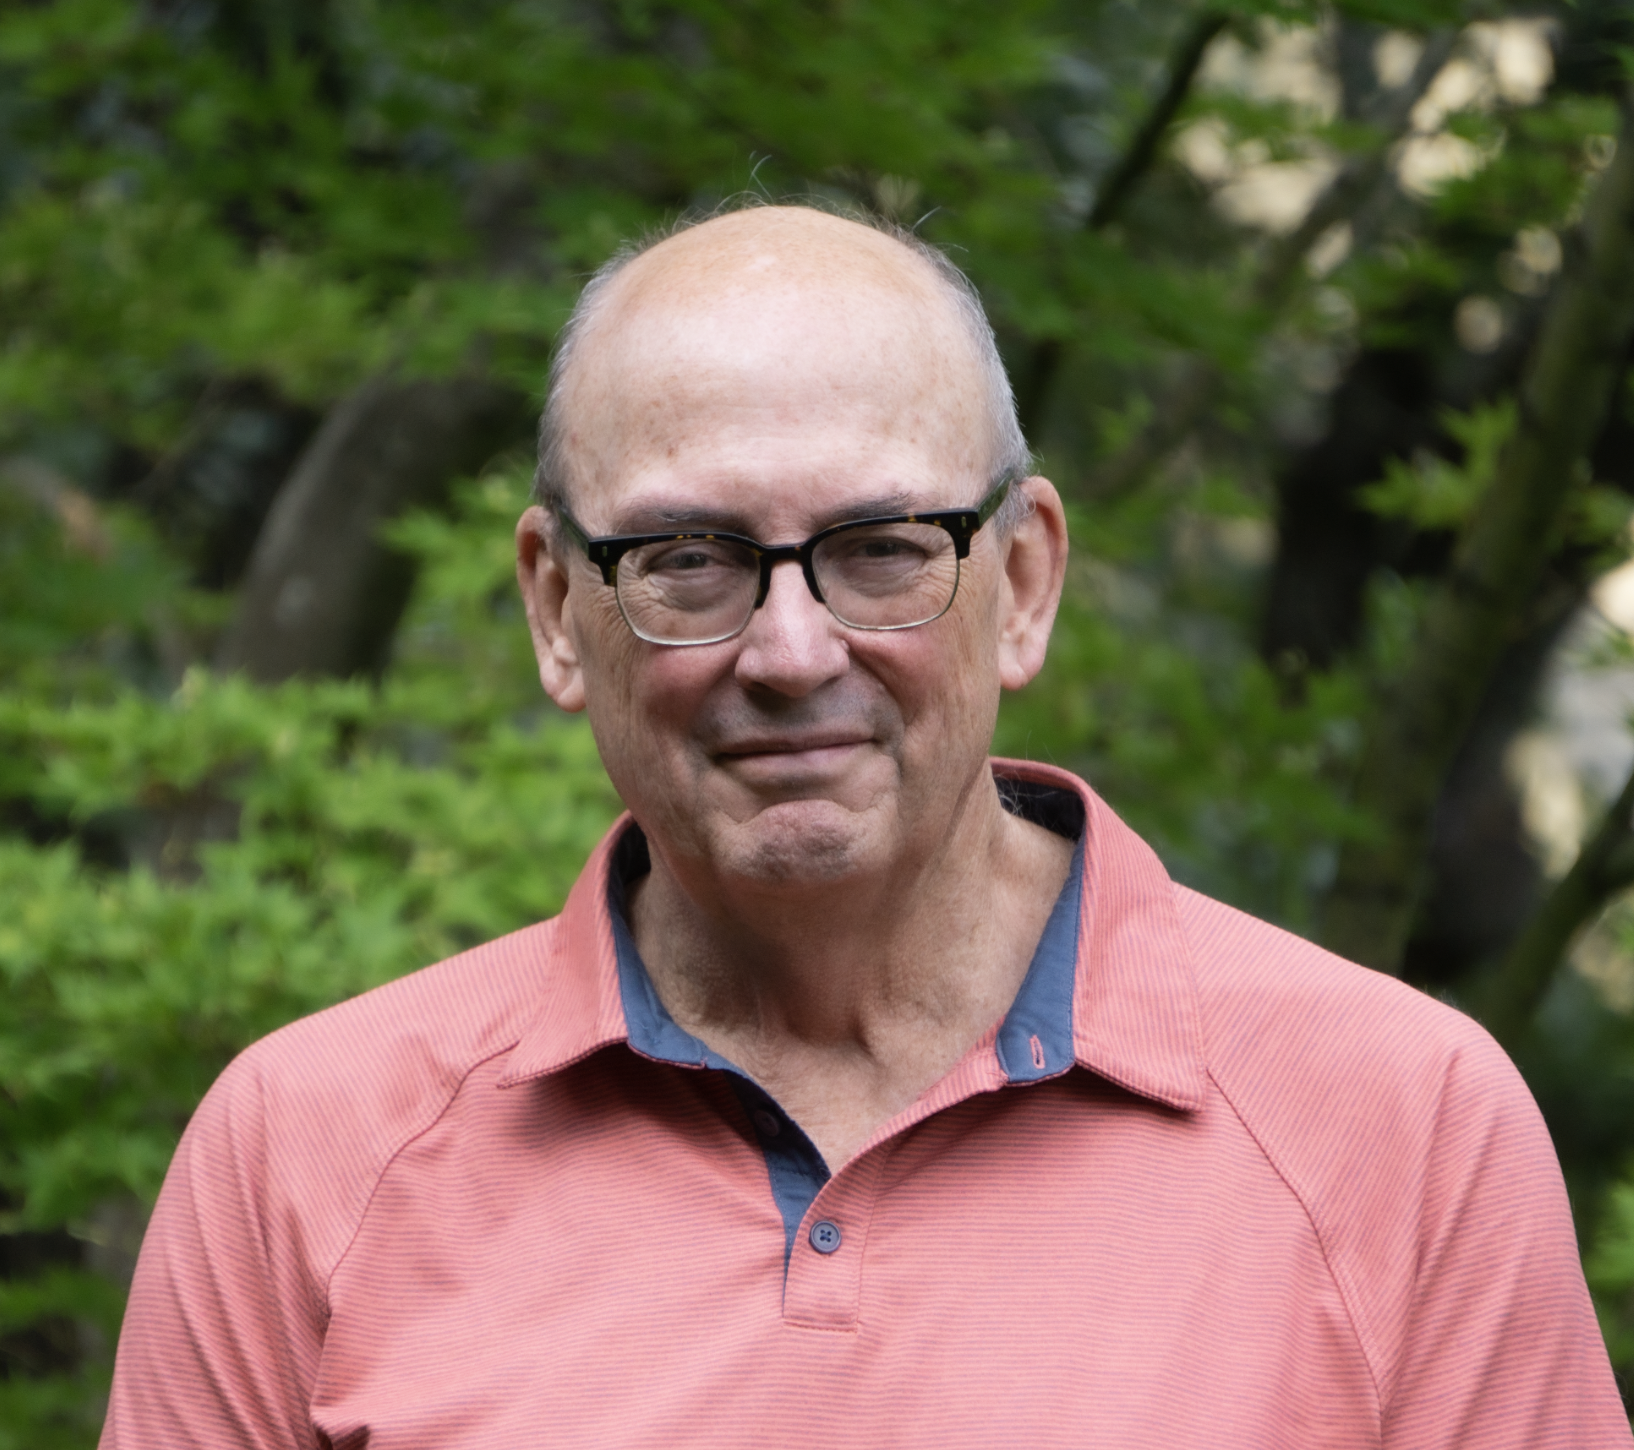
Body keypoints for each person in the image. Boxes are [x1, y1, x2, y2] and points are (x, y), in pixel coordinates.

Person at [101, 203, 1631, 1449]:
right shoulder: (304, 1151)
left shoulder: (1398, 1126)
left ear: (1021, 580)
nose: (787, 651)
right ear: (556, 608)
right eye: (689, 559)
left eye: (882, 549)